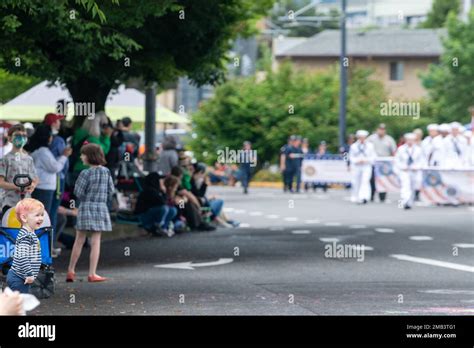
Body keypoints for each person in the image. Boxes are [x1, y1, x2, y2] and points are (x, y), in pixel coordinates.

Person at [66, 144, 115, 283]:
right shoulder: (106, 172)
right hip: (100, 208)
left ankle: (71, 270)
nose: (81, 156)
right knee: (96, 241)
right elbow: (111, 190)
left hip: (86, 207)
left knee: (79, 240)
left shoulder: (85, 173)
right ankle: (92, 273)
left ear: (89, 156)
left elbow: (78, 192)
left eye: (83, 154)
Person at [29, 125, 72, 256]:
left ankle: (42, 248)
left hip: (43, 188)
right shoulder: (43, 152)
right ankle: (41, 250)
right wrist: (64, 156)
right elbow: (55, 167)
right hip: (45, 188)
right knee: (43, 218)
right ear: (48, 138)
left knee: (43, 217)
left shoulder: (38, 151)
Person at [0, 124, 39, 217]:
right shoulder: (5, 159)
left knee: (24, 230)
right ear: (9, 138)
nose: (21, 138)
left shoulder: (29, 159)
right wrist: (18, 187)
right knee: (10, 230)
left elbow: (35, 178)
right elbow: (1, 182)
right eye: (17, 135)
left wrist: (32, 186)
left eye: (24, 136)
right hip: (9, 203)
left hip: (26, 204)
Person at [6, 198, 43, 293]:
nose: (41, 218)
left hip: (21, 277)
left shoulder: (31, 233)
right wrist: (29, 274)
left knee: (20, 304)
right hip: (19, 278)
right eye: (37, 215)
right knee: (20, 305)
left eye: (42, 215)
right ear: (24, 218)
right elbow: (22, 257)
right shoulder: (26, 236)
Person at [69, 111, 110, 187]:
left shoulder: (79, 134)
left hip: (76, 168)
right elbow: (104, 151)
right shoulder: (93, 139)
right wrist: (106, 137)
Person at [135, 172, 176, 237]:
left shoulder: (157, 190)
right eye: (160, 180)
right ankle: (156, 227)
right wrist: (164, 191)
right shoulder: (149, 191)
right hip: (143, 216)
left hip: (152, 214)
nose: (162, 182)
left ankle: (163, 227)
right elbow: (163, 202)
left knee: (172, 210)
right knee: (164, 208)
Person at [394, 133, 425, 210]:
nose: (410, 142)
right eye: (408, 140)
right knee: (405, 186)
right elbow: (397, 160)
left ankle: (409, 202)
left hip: (414, 171)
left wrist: (417, 167)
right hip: (404, 170)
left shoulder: (418, 149)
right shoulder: (401, 149)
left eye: (411, 140)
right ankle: (404, 202)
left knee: (413, 187)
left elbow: (422, 160)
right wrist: (402, 167)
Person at [367, 123, 396, 203]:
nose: (381, 131)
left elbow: (393, 151)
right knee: (372, 179)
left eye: (383, 130)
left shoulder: (389, 139)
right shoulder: (371, 138)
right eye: (380, 129)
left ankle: (382, 197)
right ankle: (371, 195)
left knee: (383, 179)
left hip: (385, 162)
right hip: (374, 162)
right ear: (377, 130)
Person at [349, 130, 376, 204]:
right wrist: (356, 161)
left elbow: (373, 156)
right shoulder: (354, 146)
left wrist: (366, 160)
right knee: (355, 181)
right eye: (360, 137)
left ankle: (364, 197)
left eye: (363, 137)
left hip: (366, 165)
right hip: (357, 166)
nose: (362, 139)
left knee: (365, 181)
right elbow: (351, 157)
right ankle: (355, 196)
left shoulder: (370, 145)